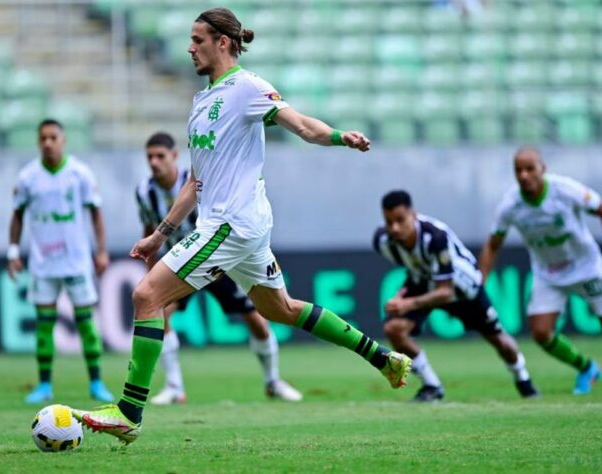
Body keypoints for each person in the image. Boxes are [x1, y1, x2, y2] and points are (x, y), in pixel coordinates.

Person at [71, 7, 411, 445]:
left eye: (198, 40)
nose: (190, 48)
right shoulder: (201, 103)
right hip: (236, 226)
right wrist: (161, 232)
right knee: (280, 310)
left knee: (146, 295)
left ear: (223, 43)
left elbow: (303, 126)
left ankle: (128, 412)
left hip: (231, 224)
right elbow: (197, 181)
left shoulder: (247, 87)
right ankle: (384, 359)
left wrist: (339, 136)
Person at [136, 131, 302, 403]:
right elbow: (148, 226)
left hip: (220, 259)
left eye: (160, 156)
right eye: (149, 157)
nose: (154, 162)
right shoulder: (144, 192)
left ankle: (273, 381)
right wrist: (150, 269)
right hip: (182, 261)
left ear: (175, 157)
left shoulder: (197, 182)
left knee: (256, 320)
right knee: (161, 313)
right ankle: (175, 387)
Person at [479, 146, 602, 394]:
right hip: (548, 275)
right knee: (540, 333)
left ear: (543, 169)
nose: (524, 175)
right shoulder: (510, 205)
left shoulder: (566, 190)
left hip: (586, 268)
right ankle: (586, 367)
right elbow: (493, 244)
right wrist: (480, 281)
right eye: (518, 170)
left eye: (529, 169)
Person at [376, 190, 539, 402]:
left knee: (500, 341)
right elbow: (412, 268)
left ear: (413, 214)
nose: (395, 228)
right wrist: (401, 295)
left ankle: (522, 378)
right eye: (389, 222)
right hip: (425, 282)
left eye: (400, 220)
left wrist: (406, 303)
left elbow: (446, 292)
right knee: (393, 329)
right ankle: (432, 385)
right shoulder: (383, 241)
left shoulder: (435, 238)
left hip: (463, 289)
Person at [7, 118, 114, 404]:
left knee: (86, 323)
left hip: (76, 260)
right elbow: (17, 215)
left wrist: (101, 251)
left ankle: (96, 382)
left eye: (53, 137)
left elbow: (96, 214)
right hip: (43, 262)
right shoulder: (28, 177)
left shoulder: (80, 174)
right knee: (44, 324)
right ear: (38, 141)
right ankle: (44, 386)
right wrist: (13, 251)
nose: (48, 142)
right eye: (43, 138)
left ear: (63, 140)